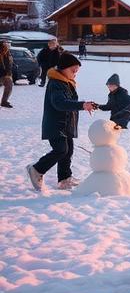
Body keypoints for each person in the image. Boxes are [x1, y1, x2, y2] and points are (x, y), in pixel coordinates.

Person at [26, 53, 96, 192]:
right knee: (60, 150)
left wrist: (84, 105)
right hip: (56, 124)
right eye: (73, 70)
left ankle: (64, 179)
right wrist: (82, 105)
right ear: (63, 68)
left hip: (66, 124)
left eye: (77, 71)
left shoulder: (66, 83)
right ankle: (36, 169)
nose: (75, 74)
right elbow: (60, 103)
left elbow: (69, 102)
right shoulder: (56, 83)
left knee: (68, 151)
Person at [0, 41, 13, 108]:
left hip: (6, 74)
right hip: (2, 74)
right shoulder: (2, 52)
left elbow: (9, 64)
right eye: (6, 43)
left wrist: (9, 72)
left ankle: (4, 102)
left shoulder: (7, 53)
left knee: (9, 86)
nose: (8, 45)